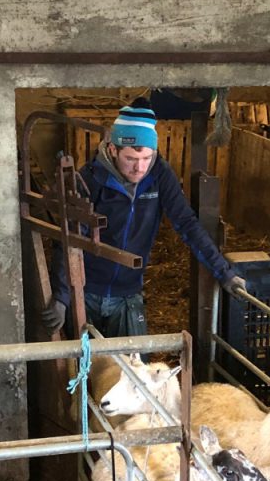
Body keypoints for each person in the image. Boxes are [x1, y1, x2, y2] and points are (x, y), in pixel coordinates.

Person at [42, 101, 247, 337]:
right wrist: (62, 297)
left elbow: (187, 224)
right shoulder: (90, 180)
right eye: (130, 158)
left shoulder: (159, 175)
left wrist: (224, 272)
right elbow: (69, 239)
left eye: (147, 158)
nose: (140, 168)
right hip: (86, 292)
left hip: (129, 292)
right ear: (112, 149)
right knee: (84, 369)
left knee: (138, 370)